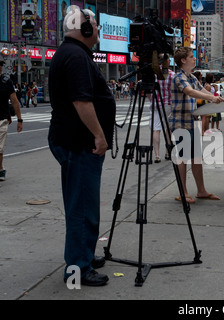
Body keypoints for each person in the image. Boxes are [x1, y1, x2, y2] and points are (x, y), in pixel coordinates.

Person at [48, 6, 115, 286]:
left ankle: (83, 255)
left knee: (85, 205)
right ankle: (77, 268)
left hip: (76, 142)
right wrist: (100, 136)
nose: (98, 30)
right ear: (85, 29)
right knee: (82, 208)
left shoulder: (74, 53)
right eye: (96, 25)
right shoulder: (75, 56)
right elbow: (82, 102)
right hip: (80, 144)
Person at [171, 47, 224, 203]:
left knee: (196, 158)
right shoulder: (179, 77)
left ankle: (201, 190)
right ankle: (183, 192)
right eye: (191, 57)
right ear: (183, 60)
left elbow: (201, 90)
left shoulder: (192, 77)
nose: (194, 59)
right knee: (182, 158)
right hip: (180, 123)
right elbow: (191, 92)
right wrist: (212, 98)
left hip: (192, 121)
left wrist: (215, 98)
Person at [148, 54, 175, 162]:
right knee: (168, 129)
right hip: (168, 104)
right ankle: (168, 152)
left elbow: (147, 91)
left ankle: (157, 155)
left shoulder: (153, 75)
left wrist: (152, 100)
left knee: (156, 129)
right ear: (167, 62)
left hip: (155, 104)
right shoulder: (172, 75)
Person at [0, 55, 23, 181]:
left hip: (2, 118)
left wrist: (20, 119)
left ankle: (0, 169)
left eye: (0, 65)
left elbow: (14, 101)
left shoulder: (6, 82)